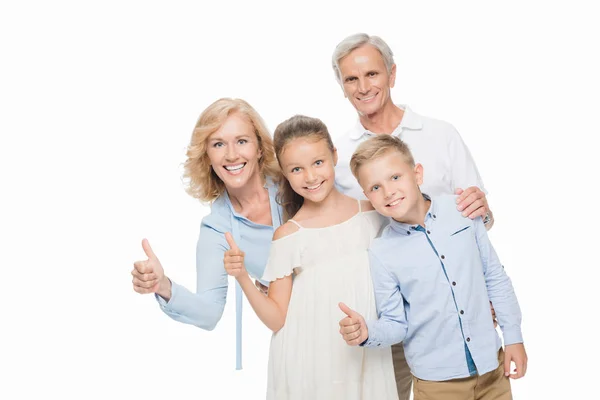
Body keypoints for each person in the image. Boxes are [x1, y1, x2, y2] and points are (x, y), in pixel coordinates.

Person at [331, 32, 497, 398]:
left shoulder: (441, 135)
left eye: (372, 74)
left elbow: (479, 222)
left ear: (392, 74)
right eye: (351, 79)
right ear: (342, 88)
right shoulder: (338, 157)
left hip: (450, 320)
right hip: (381, 314)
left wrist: (483, 212)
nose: (363, 87)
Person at [339, 135, 527, 400]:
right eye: (375, 187)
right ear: (368, 196)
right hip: (437, 383)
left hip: (492, 368)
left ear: (417, 174)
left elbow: (494, 276)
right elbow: (395, 323)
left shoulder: (461, 209)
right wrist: (368, 332)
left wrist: (514, 337)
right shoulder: (382, 253)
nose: (388, 191)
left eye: (395, 177)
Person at [224, 115, 398, 399]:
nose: (310, 177)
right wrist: (242, 275)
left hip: (365, 352)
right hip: (309, 363)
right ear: (285, 173)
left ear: (334, 156)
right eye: (296, 169)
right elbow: (277, 319)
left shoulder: (372, 214)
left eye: (318, 163)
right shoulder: (289, 235)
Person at [131, 98, 282, 370]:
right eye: (218, 144)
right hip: (296, 333)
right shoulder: (217, 229)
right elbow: (209, 313)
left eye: (242, 141)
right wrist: (163, 286)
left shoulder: (293, 183)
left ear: (260, 147)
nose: (232, 155)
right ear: (207, 157)